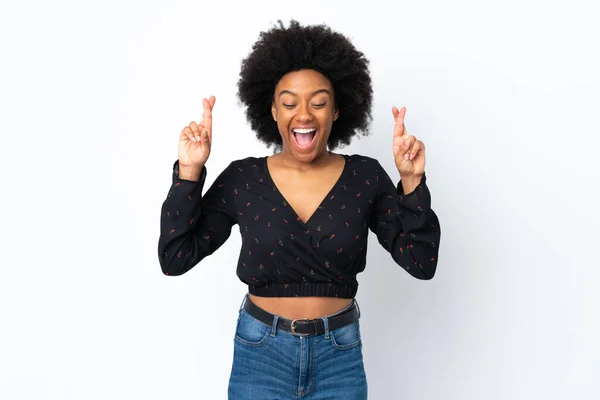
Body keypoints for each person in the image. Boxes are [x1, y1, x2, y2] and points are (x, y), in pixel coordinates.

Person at [158, 20, 441, 399]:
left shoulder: (365, 177)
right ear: (273, 111)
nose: (304, 114)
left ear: (337, 111)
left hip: (338, 356)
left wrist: (411, 182)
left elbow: (421, 262)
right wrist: (190, 172)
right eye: (290, 103)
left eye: (319, 102)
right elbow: (175, 257)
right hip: (260, 355)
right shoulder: (244, 178)